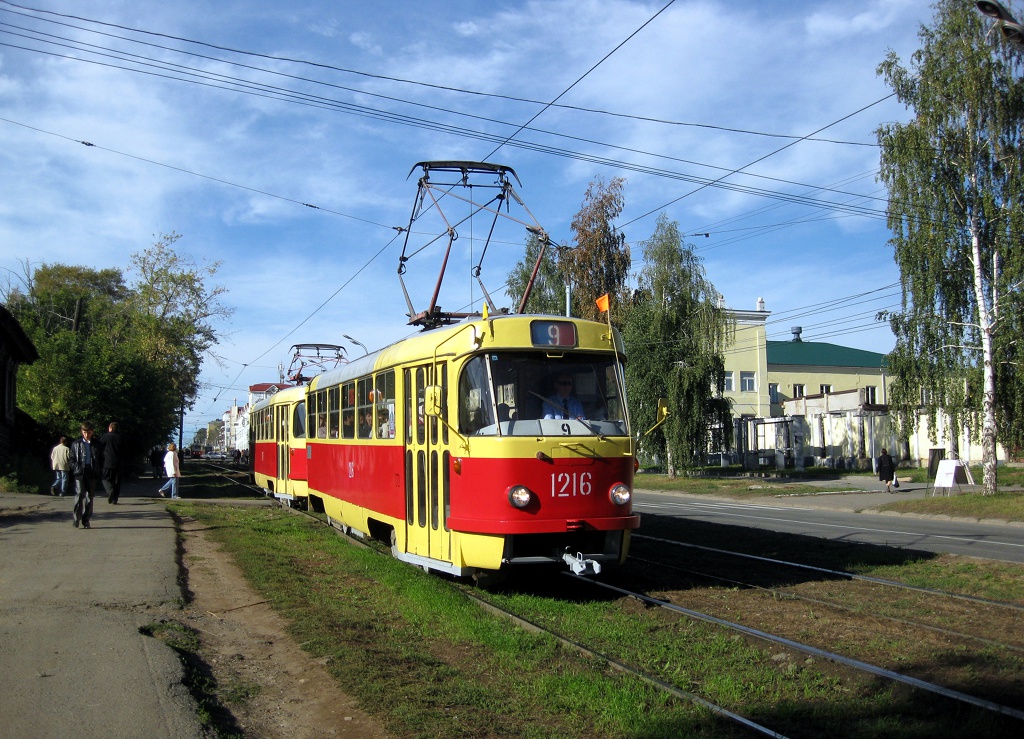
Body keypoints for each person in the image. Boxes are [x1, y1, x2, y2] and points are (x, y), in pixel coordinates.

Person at [69, 422, 100, 528]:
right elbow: (71, 459)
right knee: (79, 494)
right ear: (81, 432)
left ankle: (86, 520)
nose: (87, 435)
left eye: (89, 432)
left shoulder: (96, 444)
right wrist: (76, 468)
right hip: (80, 472)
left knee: (89, 497)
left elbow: (101, 458)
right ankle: (76, 518)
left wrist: (98, 469)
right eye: (85, 432)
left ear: (92, 432)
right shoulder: (76, 444)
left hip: (91, 472)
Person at [100, 421, 124, 504]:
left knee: (105, 478)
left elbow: (99, 447)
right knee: (117, 481)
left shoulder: (105, 436)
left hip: (107, 462)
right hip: (118, 462)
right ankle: (115, 499)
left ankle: (110, 490)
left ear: (110, 428)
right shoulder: (120, 437)